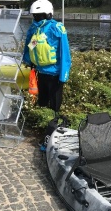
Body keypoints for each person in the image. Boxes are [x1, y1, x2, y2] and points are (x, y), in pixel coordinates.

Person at [22, 0, 72, 151]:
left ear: (48, 14)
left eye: (39, 15)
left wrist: (63, 75)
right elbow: (30, 45)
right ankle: (44, 130)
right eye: (35, 16)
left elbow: (65, 53)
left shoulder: (57, 28)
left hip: (55, 75)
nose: (36, 18)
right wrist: (27, 60)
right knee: (42, 103)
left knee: (55, 106)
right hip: (40, 73)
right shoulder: (35, 29)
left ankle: (53, 134)